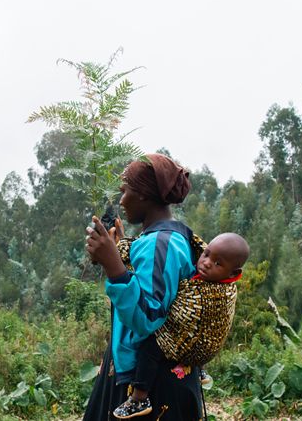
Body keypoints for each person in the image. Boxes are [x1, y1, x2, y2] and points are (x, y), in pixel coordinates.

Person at [84, 153, 202, 420]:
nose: (121, 200)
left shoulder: (162, 242)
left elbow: (148, 315)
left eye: (125, 192)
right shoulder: (162, 237)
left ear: (144, 195)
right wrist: (117, 254)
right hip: (140, 372)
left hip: (154, 384)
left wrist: (114, 266)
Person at [113, 232, 250, 419]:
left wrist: (117, 261)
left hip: (192, 345)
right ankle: (198, 367)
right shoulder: (204, 273)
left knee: (150, 348)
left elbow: (192, 313)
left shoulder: (219, 292)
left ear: (233, 274)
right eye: (207, 254)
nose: (207, 262)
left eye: (218, 263)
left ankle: (139, 398)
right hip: (192, 349)